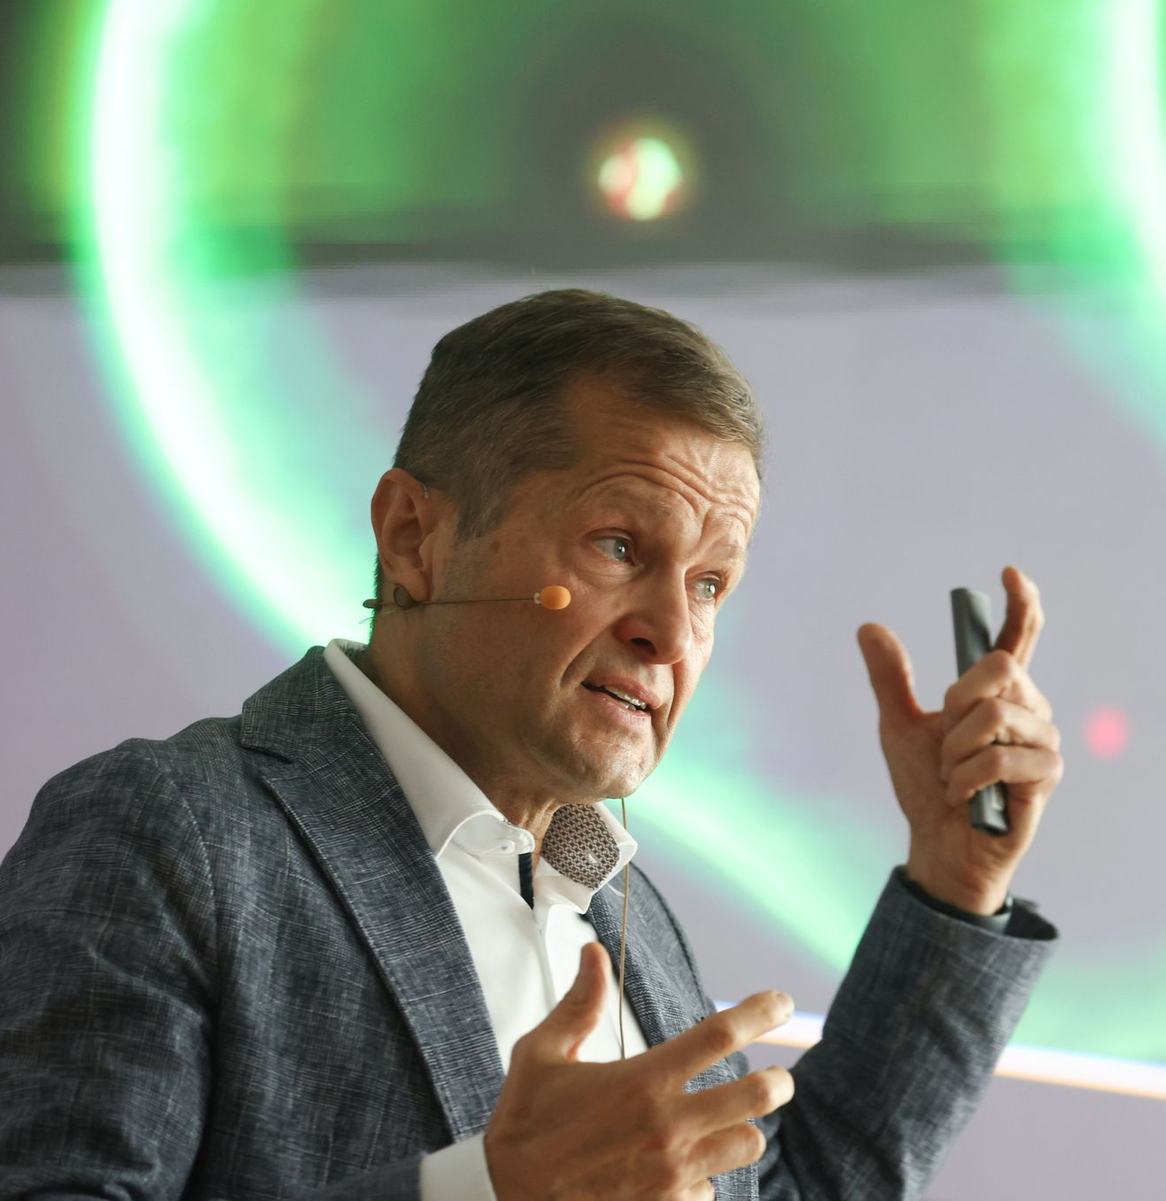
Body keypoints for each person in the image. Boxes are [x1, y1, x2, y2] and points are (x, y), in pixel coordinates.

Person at [0, 289, 1062, 1199]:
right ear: (413, 538)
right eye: (617, 545)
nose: (674, 633)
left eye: (709, 583)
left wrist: (953, 883)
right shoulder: (167, 833)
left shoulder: (613, 900)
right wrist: (486, 1191)